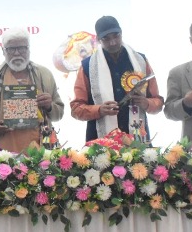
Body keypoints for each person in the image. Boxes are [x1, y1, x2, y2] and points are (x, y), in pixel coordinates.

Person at [70, 16, 163, 144]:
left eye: (116, 36)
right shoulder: (88, 66)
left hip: (138, 141)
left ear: (122, 33)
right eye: (106, 38)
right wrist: (99, 110)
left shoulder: (141, 61)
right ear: (98, 40)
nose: (113, 42)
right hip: (100, 144)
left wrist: (146, 103)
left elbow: (158, 102)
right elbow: (76, 109)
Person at [0, 27, 64, 152]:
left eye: (22, 48)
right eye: (11, 49)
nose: (17, 53)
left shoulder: (44, 75)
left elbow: (59, 114)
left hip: (40, 150)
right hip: (3, 151)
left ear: (29, 49)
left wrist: (49, 106)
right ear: (3, 51)